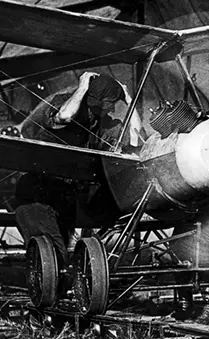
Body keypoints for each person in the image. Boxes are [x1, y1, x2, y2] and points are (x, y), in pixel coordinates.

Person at [13, 72, 131, 262]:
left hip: (65, 197)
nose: (111, 107)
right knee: (51, 256)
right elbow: (64, 117)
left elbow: (133, 142)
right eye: (110, 102)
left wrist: (129, 99)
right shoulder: (64, 104)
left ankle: (68, 284)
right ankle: (48, 288)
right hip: (37, 195)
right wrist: (82, 88)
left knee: (61, 256)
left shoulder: (102, 123)